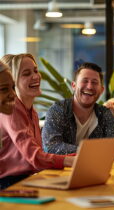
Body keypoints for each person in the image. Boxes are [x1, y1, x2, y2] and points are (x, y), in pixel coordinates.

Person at [0, 54, 74, 190]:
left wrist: (75, 157)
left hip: (26, 177)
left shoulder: (31, 111)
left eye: (35, 70)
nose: (35, 76)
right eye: (26, 74)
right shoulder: (12, 108)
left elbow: (37, 156)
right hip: (7, 184)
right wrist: (70, 160)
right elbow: (34, 156)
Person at [42, 62, 114, 155]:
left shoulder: (104, 114)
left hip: (95, 168)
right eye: (85, 81)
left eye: (94, 82)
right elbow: (51, 146)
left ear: (101, 90)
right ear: (73, 85)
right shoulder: (58, 110)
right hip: (59, 169)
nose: (89, 86)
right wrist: (91, 151)